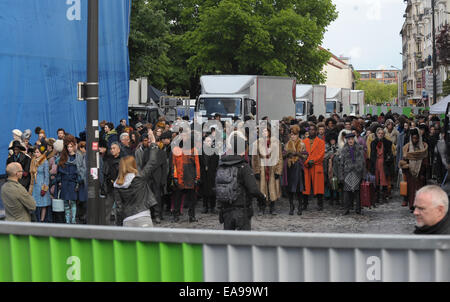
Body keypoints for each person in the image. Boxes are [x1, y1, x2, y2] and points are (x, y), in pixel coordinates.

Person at [216, 134, 266, 231]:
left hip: (225, 208)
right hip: (241, 208)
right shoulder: (243, 166)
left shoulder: (222, 165)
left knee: (228, 241)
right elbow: (253, 189)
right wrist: (262, 197)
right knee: (243, 242)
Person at [113, 155, 158, 227]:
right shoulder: (139, 178)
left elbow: (119, 207)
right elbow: (151, 162)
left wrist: (119, 224)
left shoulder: (117, 184)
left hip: (127, 219)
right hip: (143, 215)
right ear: (134, 164)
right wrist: (153, 146)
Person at [252, 124, 283, 215]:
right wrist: (256, 171)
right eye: (263, 131)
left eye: (266, 131)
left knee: (272, 189)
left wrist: (278, 170)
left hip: (272, 169)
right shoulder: (257, 143)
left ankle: (272, 208)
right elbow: (254, 158)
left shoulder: (276, 142)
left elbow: (280, 157)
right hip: (262, 168)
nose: (264, 133)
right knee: (262, 189)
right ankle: (262, 208)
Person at [171, 131, 201, 222]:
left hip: (191, 177)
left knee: (192, 199)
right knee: (177, 198)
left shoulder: (193, 150)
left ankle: (192, 216)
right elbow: (174, 165)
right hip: (180, 177)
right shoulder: (176, 149)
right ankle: (176, 215)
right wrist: (175, 177)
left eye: (185, 136)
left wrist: (197, 177)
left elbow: (197, 165)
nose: (184, 138)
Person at [399, 128, 429, 212]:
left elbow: (425, 159)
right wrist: (406, 166)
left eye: (416, 138)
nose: (415, 140)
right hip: (410, 172)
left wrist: (423, 170)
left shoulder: (423, 147)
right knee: (411, 190)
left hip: (420, 172)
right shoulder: (407, 147)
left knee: (420, 190)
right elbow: (404, 159)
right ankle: (412, 205)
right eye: (413, 138)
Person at [338, 133, 366, 215]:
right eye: (349, 139)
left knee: (357, 192)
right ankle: (346, 209)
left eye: (352, 139)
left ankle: (358, 209)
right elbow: (341, 164)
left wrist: (363, 175)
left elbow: (363, 162)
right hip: (347, 172)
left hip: (357, 172)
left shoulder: (359, 148)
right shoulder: (344, 149)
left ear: (354, 140)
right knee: (347, 191)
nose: (350, 141)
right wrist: (341, 176)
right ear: (347, 140)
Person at [284, 125, 307, 215]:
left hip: (298, 168)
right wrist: (287, 154)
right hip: (289, 168)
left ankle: (300, 206)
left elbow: (305, 155)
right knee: (290, 189)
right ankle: (291, 206)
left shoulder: (302, 144)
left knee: (299, 189)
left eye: (294, 134)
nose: (292, 136)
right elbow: (283, 155)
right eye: (291, 134)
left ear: (298, 135)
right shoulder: (287, 144)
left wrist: (298, 154)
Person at [302, 124, 326, 211]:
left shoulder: (321, 142)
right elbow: (302, 154)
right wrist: (307, 162)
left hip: (316, 166)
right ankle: (304, 204)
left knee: (319, 187)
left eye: (313, 130)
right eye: (310, 130)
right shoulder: (303, 142)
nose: (311, 131)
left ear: (316, 131)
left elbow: (321, 155)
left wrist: (313, 160)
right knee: (306, 186)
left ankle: (320, 204)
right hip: (307, 166)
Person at [56, 135, 79, 224]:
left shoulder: (78, 157)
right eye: (68, 146)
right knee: (66, 202)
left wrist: (77, 182)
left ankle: (73, 220)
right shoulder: (63, 157)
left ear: (74, 146)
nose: (69, 148)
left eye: (71, 146)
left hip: (73, 182)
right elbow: (59, 170)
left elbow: (80, 171)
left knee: (73, 202)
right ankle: (67, 221)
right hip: (65, 182)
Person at [370, 127, 394, 204]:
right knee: (376, 179)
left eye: (382, 133)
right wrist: (372, 165)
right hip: (376, 162)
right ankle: (376, 197)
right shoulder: (373, 143)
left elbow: (390, 153)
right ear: (376, 134)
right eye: (379, 133)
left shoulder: (388, 143)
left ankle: (384, 196)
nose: (380, 135)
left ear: (384, 134)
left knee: (384, 179)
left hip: (384, 162)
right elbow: (372, 155)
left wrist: (388, 159)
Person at [28, 143, 52, 222]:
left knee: (43, 204)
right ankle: (36, 219)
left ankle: (42, 219)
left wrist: (45, 188)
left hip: (41, 184)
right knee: (36, 203)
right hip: (34, 185)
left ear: (41, 153)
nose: (36, 153)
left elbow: (47, 175)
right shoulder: (33, 160)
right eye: (35, 152)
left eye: (38, 152)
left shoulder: (44, 161)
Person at [200, 135, 219, 214]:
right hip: (203, 173)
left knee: (212, 190)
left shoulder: (215, 151)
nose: (208, 142)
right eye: (207, 141)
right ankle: (205, 206)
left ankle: (212, 206)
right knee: (204, 190)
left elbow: (216, 163)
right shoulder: (200, 151)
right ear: (204, 142)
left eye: (210, 141)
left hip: (212, 173)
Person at [75, 141, 87, 223]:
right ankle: (82, 217)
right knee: (82, 200)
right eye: (82, 147)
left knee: (81, 200)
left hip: (81, 181)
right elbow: (81, 169)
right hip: (82, 181)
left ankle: (81, 217)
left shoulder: (81, 156)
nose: (84, 149)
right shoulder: (81, 156)